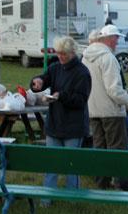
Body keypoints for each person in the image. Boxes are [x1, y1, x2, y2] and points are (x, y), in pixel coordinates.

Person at [31, 37, 92, 199]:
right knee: (51, 164)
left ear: (72, 53)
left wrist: (61, 96)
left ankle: (72, 197)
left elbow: (81, 100)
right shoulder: (55, 67)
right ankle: (47, 197)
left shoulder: (82, 72)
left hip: (74, 126)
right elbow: (44, 79)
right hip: (54, 123)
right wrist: (37, 82)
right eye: (58, 53)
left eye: (64, 54)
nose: (60, 57)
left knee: (71, 165)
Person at [82, 25, 128, 188]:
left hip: (93, 109)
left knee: (100, 147)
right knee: (117, 148)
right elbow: (114, 89)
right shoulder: (108, 58)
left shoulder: (86, 57)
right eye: (116, 38)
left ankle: (102, 182)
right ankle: (121, 183)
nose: (117, 41)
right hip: (111, 112)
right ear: (108, 39)